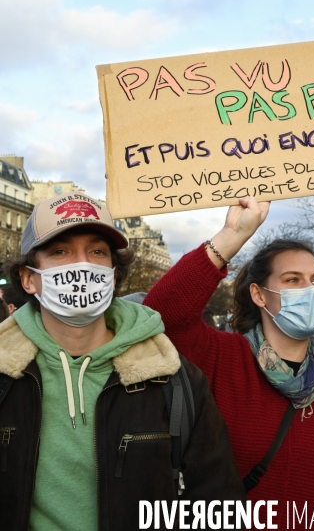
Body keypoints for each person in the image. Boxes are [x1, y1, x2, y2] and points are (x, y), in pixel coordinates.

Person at [0, 192, 245, 531]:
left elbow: (219, 506)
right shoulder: (4, 373)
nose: (82, 264)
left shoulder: (173, 377)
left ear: (114, 276)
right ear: (28, 279)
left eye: (97, 251)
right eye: (60, 251)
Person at [144, 197, 314, 530]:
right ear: (259, 295)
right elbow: (163, 315)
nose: (311, 290)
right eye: (292, 280)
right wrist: (231, 236)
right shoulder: (221, 358)